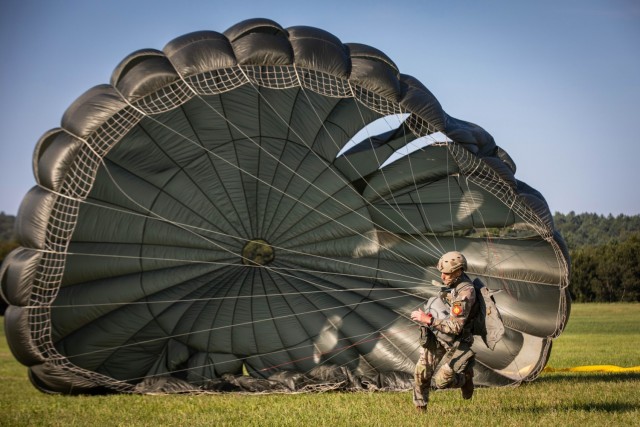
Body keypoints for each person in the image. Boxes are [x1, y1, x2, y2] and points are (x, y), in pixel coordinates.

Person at [410, 251, 477, 411]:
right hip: (438, 334)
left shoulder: (465, 293)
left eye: (447, 273)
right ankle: (420, 410)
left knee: (442, 382)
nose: (443, 276)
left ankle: (464, 379)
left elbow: (455, 327)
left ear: (458, 271)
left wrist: (429, 320)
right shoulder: (451, 285)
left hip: (457, 341)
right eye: (442, 272)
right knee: (421, 372)